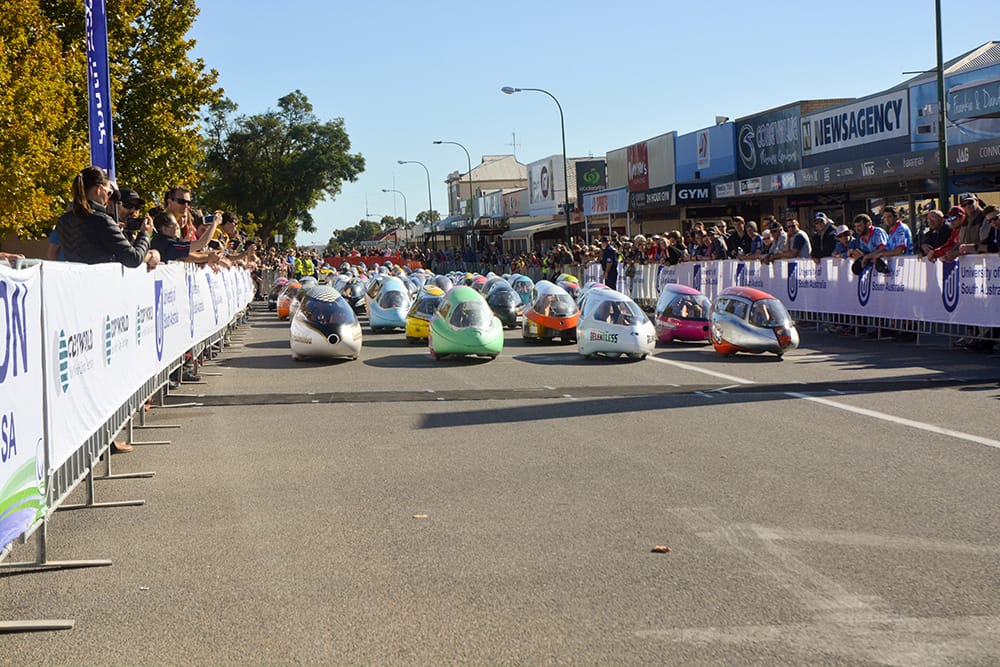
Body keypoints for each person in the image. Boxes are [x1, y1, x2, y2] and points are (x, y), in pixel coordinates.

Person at [56, 166, 159, 270]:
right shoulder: (101, 220)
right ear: (99, 189)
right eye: (109, 193)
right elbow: (133, 259)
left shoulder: (63, 220)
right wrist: (145, 234)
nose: (108, 198)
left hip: (73, 282)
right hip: (101, 281)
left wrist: (114, 231)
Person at [861, 206, 912, 273]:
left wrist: (881, 254)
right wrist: (868, 256)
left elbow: (899, 251)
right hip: (896, 266)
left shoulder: (901, 229)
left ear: (896, 216)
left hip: (906, 266)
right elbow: (886, 249)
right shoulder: (892, 230)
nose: (887, 219)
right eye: (885, 217)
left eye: (889, 217)